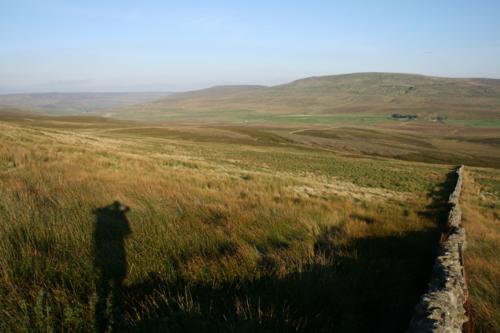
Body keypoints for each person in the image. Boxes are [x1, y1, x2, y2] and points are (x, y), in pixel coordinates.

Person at [93, 201, 131, 333]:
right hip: (117, 255)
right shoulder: (121, 218)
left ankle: (103, 312)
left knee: (104, 284)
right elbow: (127, 233)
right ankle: (116, 311)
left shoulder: (100, 221)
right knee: (117, 284)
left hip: (104, 257)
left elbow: (96, 239)